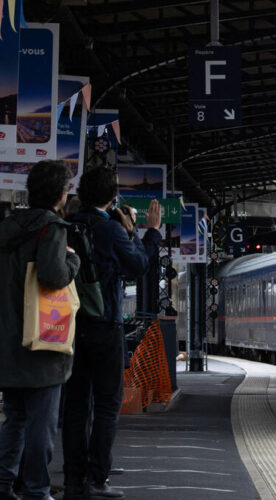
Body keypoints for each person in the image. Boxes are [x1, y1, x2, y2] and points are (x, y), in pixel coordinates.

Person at [62, 168, 161, 500]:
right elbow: (137, 266)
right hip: (105, 326)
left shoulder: (69, 225)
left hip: (71, 326)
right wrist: (148, 233)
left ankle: (74, 480)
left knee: (76, 405)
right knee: (107, 404)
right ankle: (97, 477)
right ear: (112, 196)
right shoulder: (111, 230)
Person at [0, 161, 80, 500]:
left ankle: (3, 484)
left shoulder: (7, 227)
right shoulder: (52, 229)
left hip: (7, 342)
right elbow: (51, 275)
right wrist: (73, 260)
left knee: (14, 419)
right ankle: (36, 489)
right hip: (42, 343)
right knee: (40, 425)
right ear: (61, 195)